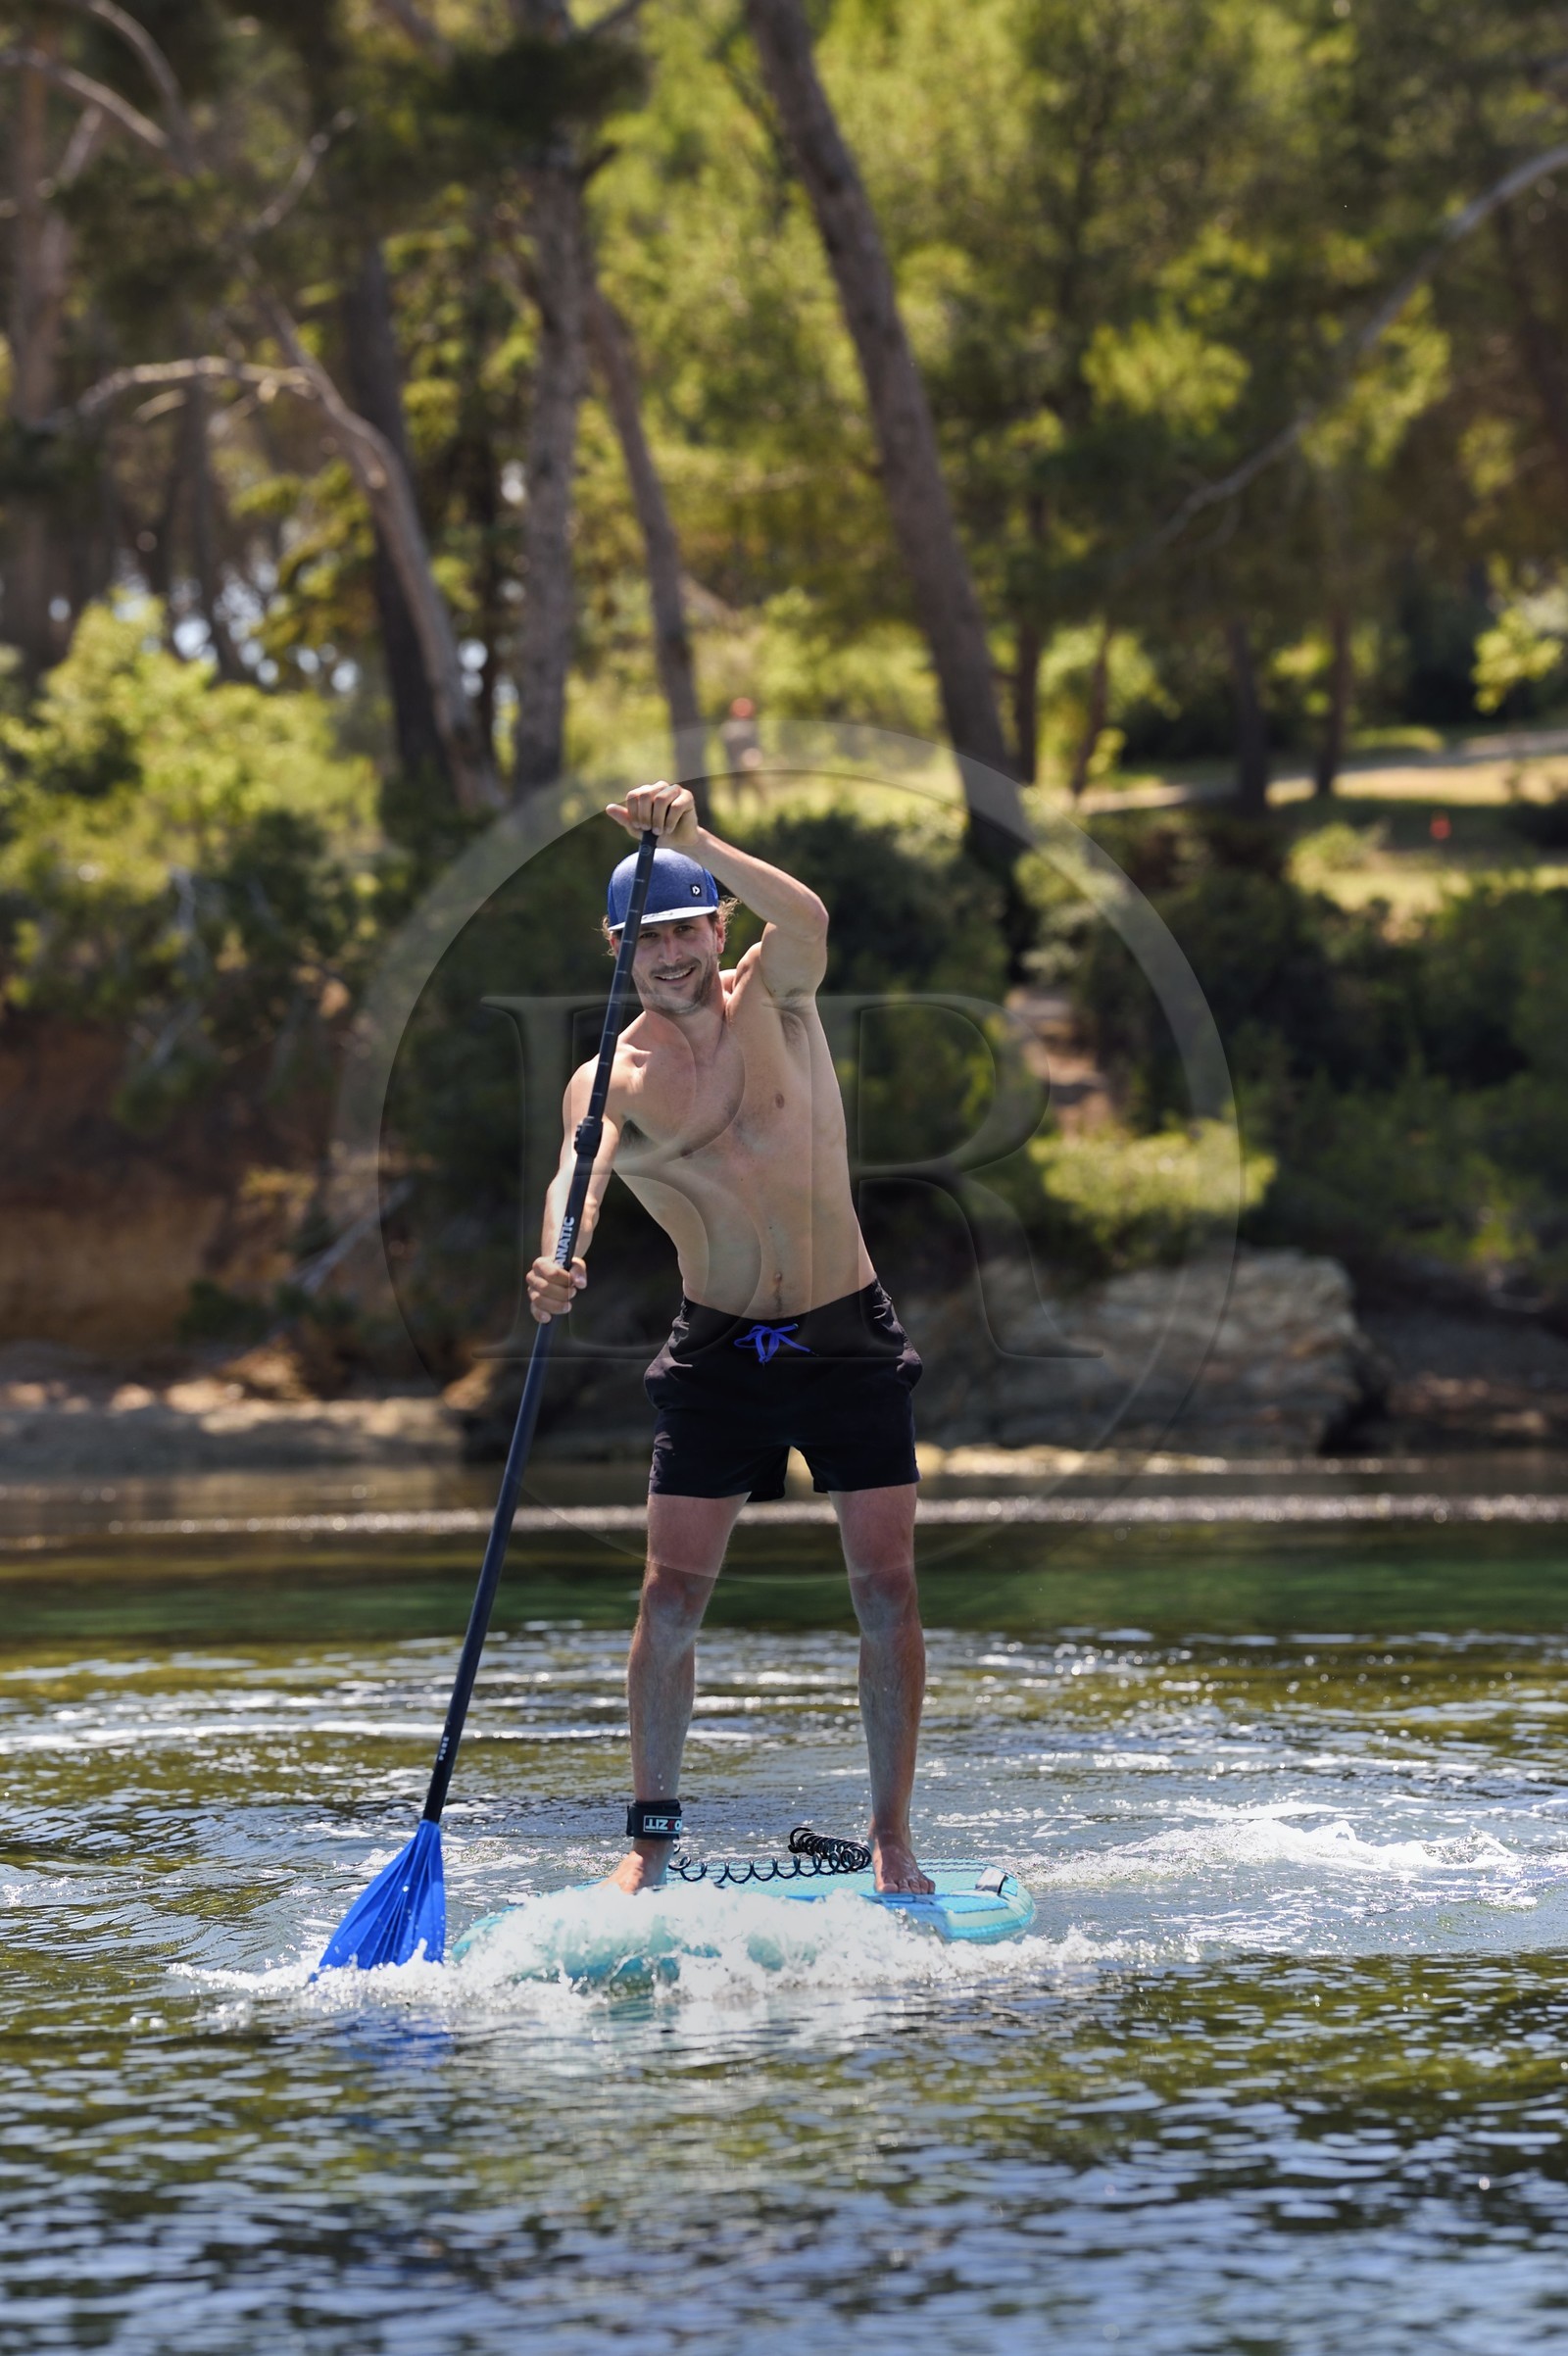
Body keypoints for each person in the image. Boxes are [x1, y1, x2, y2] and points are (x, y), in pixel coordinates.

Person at [526, 780, 934, 1896]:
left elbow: (806, 917)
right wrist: (561, 1248)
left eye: (685, 926)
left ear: (717, 928)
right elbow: (583, 1164)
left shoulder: (780, 995)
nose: (669, 952)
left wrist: (696, 841)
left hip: (846, 1337)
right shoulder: (614, 1075)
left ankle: (891, 1835)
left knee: (885, 1588)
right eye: (644, 935)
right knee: (668, 1596)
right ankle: (649, 1840)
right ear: (616, 947)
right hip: (718, 1354)